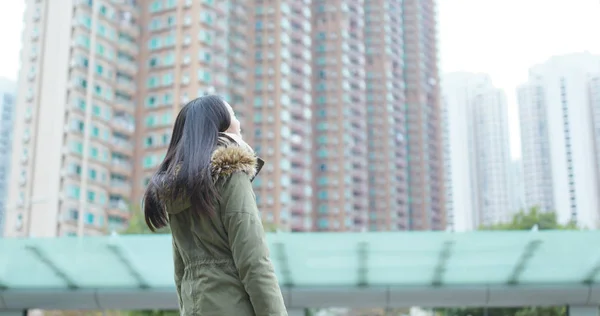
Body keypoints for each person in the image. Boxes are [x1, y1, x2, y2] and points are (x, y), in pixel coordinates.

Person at [143, 95, 288, 316]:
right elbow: (255, 262)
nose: (238, 123)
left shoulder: (177, 191)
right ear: (220, 126)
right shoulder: (231, 175)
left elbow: (180, 273)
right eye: (234, 115)